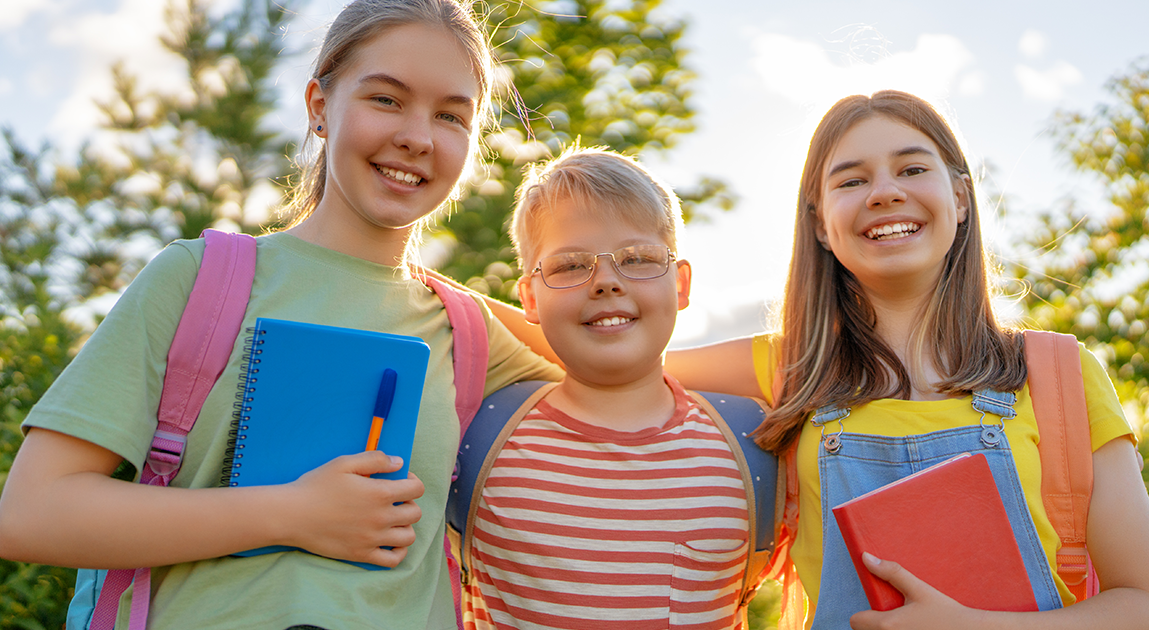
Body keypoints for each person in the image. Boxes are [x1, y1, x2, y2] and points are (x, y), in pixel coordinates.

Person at [0, 1, 562, 628]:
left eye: (451, 115)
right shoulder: (198, 278)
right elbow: (33, 515)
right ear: (320, 105)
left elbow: (647, 366)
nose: (418, 137)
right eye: (386, 100)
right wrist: (291, 513)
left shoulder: (468, 326)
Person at [489, 91, 1149, 629]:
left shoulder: (1060, 375)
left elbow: (1141, 601)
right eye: (852, 180)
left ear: (960, 197)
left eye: (912, 168)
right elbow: (598, 349)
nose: (885, 192)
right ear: (820, 223)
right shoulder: (791, 371)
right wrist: (421, 289)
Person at [456, 145, 775, 630]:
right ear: (529, 297)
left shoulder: (752, 445)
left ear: (682, 284)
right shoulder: (478, 437)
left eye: (638, 258)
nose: (605, 281)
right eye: (569, 266)